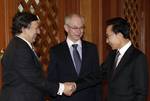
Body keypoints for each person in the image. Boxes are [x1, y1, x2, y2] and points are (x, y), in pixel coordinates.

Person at [0, 12, 76, 101]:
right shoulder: (19, 48)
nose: (39, 32)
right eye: (36, 28)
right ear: (24, 29)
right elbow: (34, 79)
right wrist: (62, 88)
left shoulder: (19, 45)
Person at [47, 13, 101, 101]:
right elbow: (52, 81)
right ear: (66, 28)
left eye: (81, 27)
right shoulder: (56, 51)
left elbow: (96, 77)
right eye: (75, 28)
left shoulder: (92, 48)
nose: (79, 31)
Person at [101, 17, 148, 101]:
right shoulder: (112, 55)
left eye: (108, 36)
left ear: (119, 35)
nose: (107, 41)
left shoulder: (138, 58)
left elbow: (141, 94)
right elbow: (98, 74)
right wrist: (76, 84)